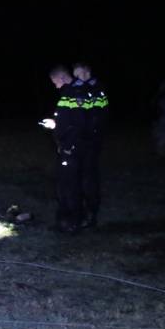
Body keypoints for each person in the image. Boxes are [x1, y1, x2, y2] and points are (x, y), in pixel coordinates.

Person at [40, 66, 86, 233]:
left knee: (70, 185)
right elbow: (67, 120)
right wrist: (55, 123)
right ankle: (65, 221)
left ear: (61, 77)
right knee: (64, 185)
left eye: (55, 82)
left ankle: (73, 223)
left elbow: (78, 124)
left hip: (71, 147)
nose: (55, 86)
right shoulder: (68, 93)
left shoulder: (75, 94)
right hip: (66, 146)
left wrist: (69, 146)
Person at [72, 62, 109, 228]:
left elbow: (100, 116)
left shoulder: (97, 89)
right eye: (75, 75)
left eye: (78, 74)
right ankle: (81, 212)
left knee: (89, 178)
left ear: (87, 72)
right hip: (81, 141)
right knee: (80, 177)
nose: (77, 78)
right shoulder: (80, 89)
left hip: (91, 142)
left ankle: (91, 213)